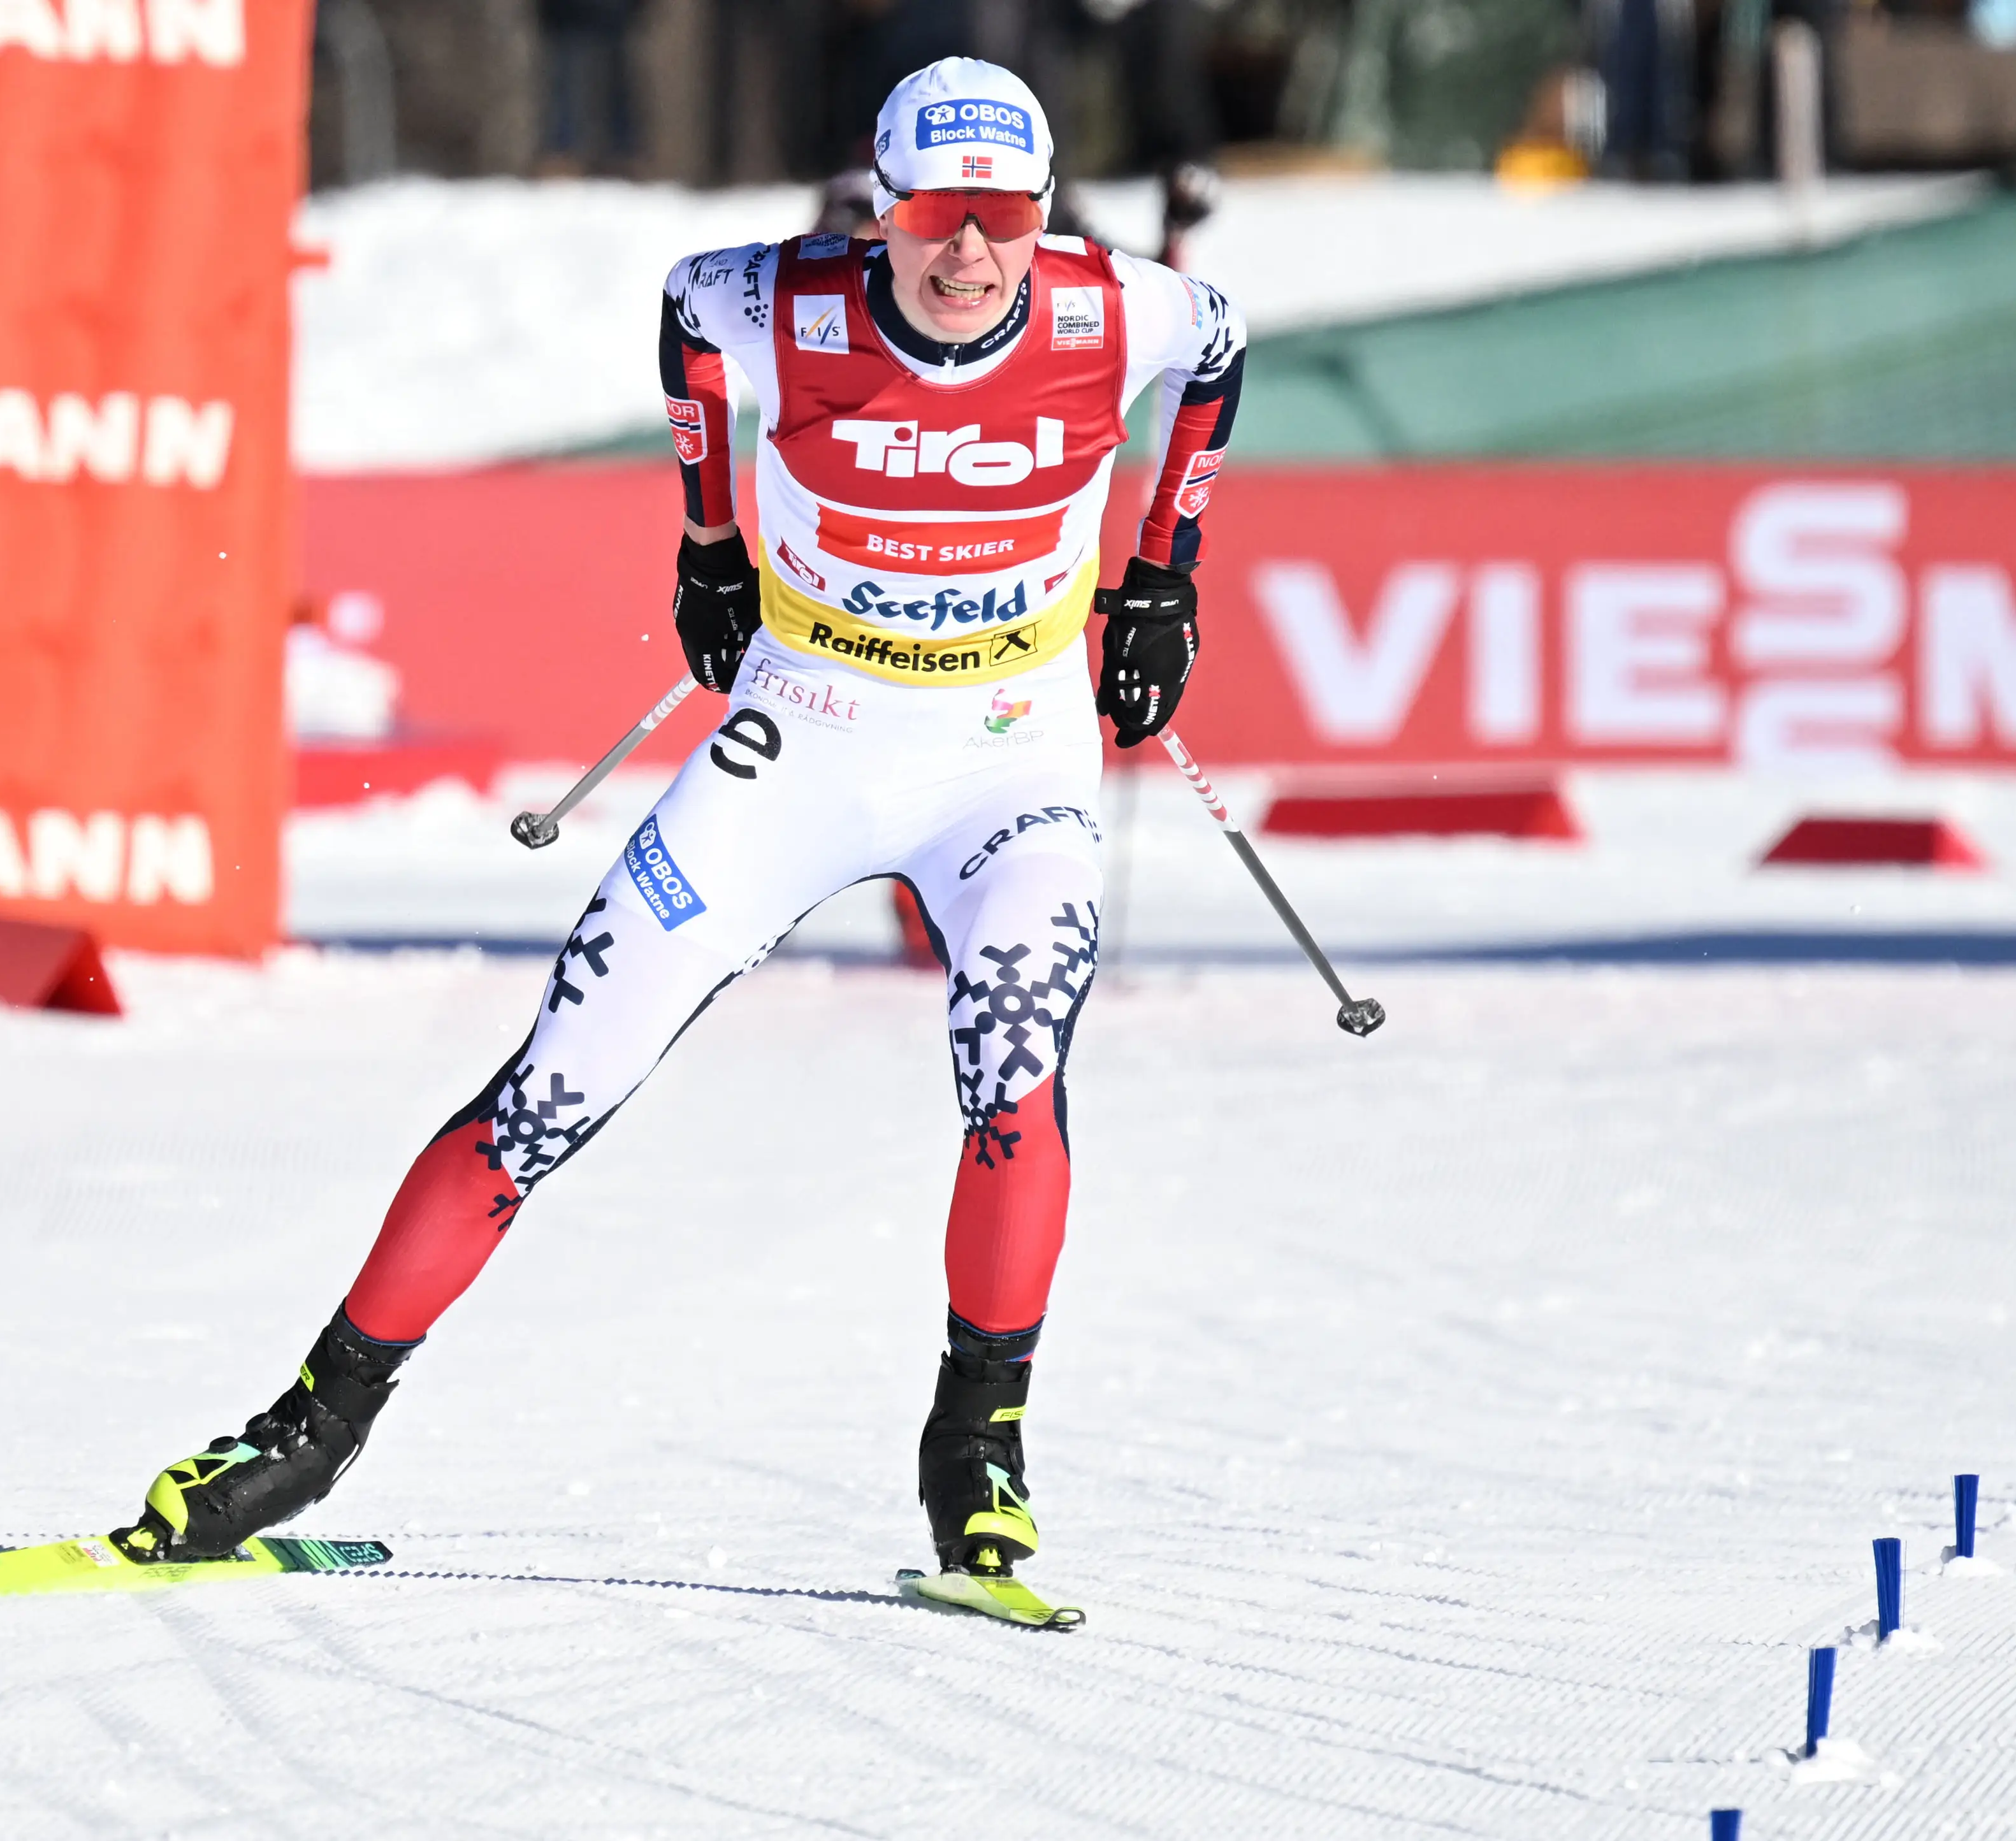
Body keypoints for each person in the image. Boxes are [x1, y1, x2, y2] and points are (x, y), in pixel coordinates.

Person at [115, 57, 1245, 1596]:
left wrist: (1168, 571)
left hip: (1007, 760)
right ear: (881, 206)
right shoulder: (775, 300)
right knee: (548, 1095)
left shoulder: (1123, 311)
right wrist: (708, 539)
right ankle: (305, 1432)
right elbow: (687, 313)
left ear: (1043, 220)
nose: (968, 252)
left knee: (1016, 1077)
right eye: (933, 213)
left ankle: (977, 1445)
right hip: (800, 742)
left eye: (1001, 219)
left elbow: (1220, 346)